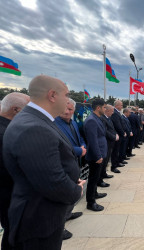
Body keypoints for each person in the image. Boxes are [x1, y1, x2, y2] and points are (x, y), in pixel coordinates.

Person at [3, 75, 84, 250]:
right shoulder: (34, 127)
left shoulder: (38, 119)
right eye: (66, 94)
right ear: (52, 95)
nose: (69, 100)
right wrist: (76, 190)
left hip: (41, 213)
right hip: (39, 220)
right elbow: (52, 182)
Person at [0, 92, 30, 250]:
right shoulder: (7, 134)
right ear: (16, 110)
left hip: (8, 196)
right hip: (12, 197)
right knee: (15, 235)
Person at [55, 98, 86, 240]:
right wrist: (79, 151)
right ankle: (58, 228)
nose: (67, 112)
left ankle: (68, 214)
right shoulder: (54, 123)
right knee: (62, 196)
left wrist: (83, 146)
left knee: (72, 189)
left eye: (70, 109)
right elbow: (59, 146)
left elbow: (80, 138)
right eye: (65, 109)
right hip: (64, 164)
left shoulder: (73, 122)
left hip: (75, 162)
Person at [84, 98, 108, 212]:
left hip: (100, 153)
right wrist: (98, 156)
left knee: (96, 177)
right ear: (98, 108)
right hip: (95, 156)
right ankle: (90, 202)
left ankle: (95, 193)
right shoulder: (91, 120)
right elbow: (92, 140)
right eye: (104, 107)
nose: (105, 109)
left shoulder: (97, 118)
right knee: (93, 179)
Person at [98, 104, 118, 188]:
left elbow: (112, 129)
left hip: (110, 143)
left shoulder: (108, 118)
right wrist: (114, 136)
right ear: (107, 110)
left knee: (106, 161)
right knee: (103, 162)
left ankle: (104, 174)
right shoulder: (103, 118)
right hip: (106, 142)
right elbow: (105, 131)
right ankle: (100, 180)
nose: (113, 113)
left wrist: (115, 134)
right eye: (112, 111)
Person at [111, 100, 126, 173]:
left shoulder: (117, 112)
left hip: (119, 135)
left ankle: (116, 163)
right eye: (121, 105)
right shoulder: (114, 113)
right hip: (117, 135)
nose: (122, 106)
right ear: (116, 105)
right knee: (115, 151)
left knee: (117, 150)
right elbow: (117, 125)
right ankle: (114, 166)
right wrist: (123, 133)